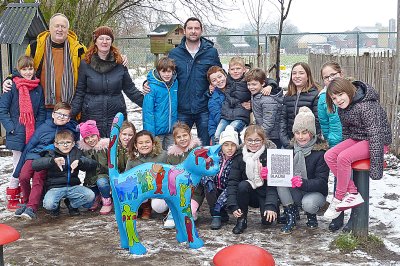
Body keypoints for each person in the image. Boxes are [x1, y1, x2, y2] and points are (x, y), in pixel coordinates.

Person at [323, 78, 391, 219]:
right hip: (357, 139)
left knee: (344, 157)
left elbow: (376, 134)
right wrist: (344, 147)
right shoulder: (344, 109)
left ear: (348, 90)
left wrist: (376, 167)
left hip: (377, 141)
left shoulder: (367, 106)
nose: (338, 100)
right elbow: (347, 132)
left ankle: (339, 197)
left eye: (340, 94)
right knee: (329, 155)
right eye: (334, 98)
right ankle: (352, 192)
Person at [2, 13, 86, 116]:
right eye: (56, 26)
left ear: (68, 30)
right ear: (50, 28)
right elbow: (23, 67)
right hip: (42, 107)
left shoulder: (79, 49)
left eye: (63, 27)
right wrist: (9, 79)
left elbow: (86, 75)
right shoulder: (35, 47)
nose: (60, 29)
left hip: (69, 108)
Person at [71, 26, 143, 137]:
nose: (104, 42)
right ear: (95, 41)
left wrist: (148, 104)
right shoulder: (86, 63)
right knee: (94, 151)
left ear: (111, 42)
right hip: (92, 116)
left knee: (115, 150)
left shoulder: (120, 63)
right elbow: (80, 92)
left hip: (116, 116)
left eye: (108, 39)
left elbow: (130, 89)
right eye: (101, 38)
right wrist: (70, 114)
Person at [13, 102, 78, 219]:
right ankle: (27, 202)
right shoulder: (44, 127)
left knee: (38, 178)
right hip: (33, 155)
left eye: (65, 116)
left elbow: (72, 143)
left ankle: (31, 208)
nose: (61, 117)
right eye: (59, 114)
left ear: (69, 119)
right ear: (53, 114)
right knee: (23, 177)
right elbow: (30, 145)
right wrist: (18, 168)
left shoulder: (69, 130)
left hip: (47, 158)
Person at [0, 55, 46, 211]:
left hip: (33, 132)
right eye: (24, 69)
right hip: (17, 132)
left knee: (30, 165)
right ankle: (12, 195)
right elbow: (3, 110)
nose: (28, 72)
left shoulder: (38, 87)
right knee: (17, 165)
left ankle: (27, 193)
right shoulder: (12, 86)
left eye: (30, 68)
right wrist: (11, 127)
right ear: (18, 70)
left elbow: (40, 112)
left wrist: (38, 131)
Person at [167, 17, 222, 145]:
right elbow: (164, 73)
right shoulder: (174, 53)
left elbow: (220, 75)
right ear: (184, 31)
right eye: (190, 28)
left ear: (201, 31)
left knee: (206, 146)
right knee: (180, 146)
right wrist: (147, 82)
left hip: (204, 106)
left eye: (196, 28)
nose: (193, 31)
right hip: (182, 108)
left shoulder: (211, 52)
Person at [276, 107, 329, 234]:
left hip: (316, 193)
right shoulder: (289, 150)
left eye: (304, 133)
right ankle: (291, 216)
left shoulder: (320, 153)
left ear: (312, 134)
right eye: (297, 133)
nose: (300, 137)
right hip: (296, 191)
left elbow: (322, 182)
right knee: (280, 182)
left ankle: (311, 215)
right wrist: (270, 172)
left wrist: (303, 182)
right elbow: (280, 174)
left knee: (308, 203)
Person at [227, 125, 278, 234]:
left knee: (267, 222)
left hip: (265, 193)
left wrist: (271, 205)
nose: (253, 143)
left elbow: (273, 184)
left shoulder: (270, 156)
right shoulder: (239, 157)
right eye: (249, 140)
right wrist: (233, 205)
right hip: (247, 193)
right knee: (242, 185)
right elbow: (233, 182)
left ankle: (272, 211)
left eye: (257, 140)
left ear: (263, 141)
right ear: (244, 141)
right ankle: (242, 219)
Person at [32, 129, 97, 217]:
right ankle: (55, 207)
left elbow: (93, 164)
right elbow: (35, 165)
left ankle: (71, 205)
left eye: (68, 142)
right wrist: (52, 161)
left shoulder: (76, 152)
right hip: (55, 188)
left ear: (73, 143)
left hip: (73, 186)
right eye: (62, 143)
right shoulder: (51, 153)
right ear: (56, 144)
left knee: (90, 195)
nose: (65, 145)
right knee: (49, 205)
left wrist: (80, 162)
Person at [318, 61, 348, 232]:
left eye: (333, 75)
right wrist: (330, 138)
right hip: (337, 144)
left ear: (340, 74)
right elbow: (324, 122)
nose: (330, 79)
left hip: (354, 141)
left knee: (355, 180)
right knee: (339, 181)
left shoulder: (349, 93)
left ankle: (358, 215)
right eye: (326, 77)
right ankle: (339, 215)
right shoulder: (323, 97)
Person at [159, 121, 202, 229]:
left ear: (190, 135)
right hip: (175, 190)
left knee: (186, 216)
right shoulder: (172, 155)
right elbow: (168, 174)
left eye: (185, 135)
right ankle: (172, 212)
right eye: (179, 137)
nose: (182, 139)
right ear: (175, 139)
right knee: (159, 205)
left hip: (194, 190)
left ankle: (191, 212)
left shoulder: (197, 151)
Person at [202, 125, 239, 230]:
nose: (230, 148)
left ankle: (219, 210)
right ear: (221, 146)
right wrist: (208, 181)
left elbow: (233, 184)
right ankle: (216, 214)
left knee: (233, 189)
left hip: (229, 191)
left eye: (233, 145)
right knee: (209, 186)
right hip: (215, 189)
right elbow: (205, 171)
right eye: (226, 145)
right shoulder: (215, 157)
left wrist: (219, 203)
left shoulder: (238, 159)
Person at [125, 130, 167, 219]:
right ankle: (145, 207)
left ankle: (167, 208)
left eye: (147, 142)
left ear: (153, 143)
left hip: (160, 189)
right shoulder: (132, 159)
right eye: (140, 143)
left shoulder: (163, 155)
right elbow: (127, 177)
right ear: (136, 146)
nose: (144, 145)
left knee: (158, 207)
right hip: (142, 188)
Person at [280, 62, 320, 148]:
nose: (297, 76)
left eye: (301, 73)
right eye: (294, 73)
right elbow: (283, 120)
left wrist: (306, 139)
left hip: (307, 142)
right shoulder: (288, 96)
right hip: (289, 141)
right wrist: (286, 141)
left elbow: (317, 121)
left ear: (308, 76)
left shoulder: (315, 95)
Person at [77, 120, 112, 215]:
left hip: (104, 176)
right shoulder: (84, 150)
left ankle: (106, 199)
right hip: (90, 179)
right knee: (87, 205)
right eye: (87, 138)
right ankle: (97, 196)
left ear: (97, 135)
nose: (91, 140)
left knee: (102, 183)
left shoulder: (105, 147)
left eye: (93, 136)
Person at [143, 57, 178, 150]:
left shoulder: (175, 84)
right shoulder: (152, 88)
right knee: (158, 156)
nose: (167, 74)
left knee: (171, 155)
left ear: (173, 72)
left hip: (171, 129)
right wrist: (150, 134)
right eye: (163, 71)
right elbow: (148, 112)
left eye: (169, 71)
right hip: (157, 132)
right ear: (158, 72)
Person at [214, 57, 251, 144]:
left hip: (240, 116)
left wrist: (270, 85)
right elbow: (216, 83)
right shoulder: (227, 81)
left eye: (238, 68)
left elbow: (264, 81)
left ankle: (236, 154)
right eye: (232, 69)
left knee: (231, 132)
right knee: (217, 135)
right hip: (226, 115)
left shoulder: (248, 80)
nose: (235, 71)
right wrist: (211, 88)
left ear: (244, 69)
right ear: (229, 71)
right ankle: (219, 156)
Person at [245, 67, 283, 148]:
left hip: (272, 136)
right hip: (265, 134)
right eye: (248, 84)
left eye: (254, 84)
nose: (251, 87)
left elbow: (268, 123)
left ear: (262, 84)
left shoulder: (267, 100)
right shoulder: (256, 94)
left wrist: (258, 136)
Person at [206, 66, 227, 144]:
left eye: (220, 76)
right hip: (217, 131)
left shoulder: (235, 90)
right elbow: (218, 118)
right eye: (214, 80)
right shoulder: (213, 100)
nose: (218, 80)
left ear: (225, 75)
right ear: (211, 84)